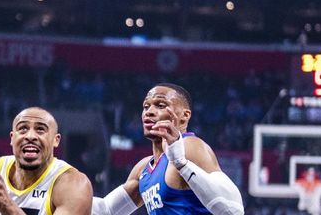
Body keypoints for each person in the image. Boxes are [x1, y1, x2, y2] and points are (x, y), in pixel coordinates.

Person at [92, 84, 243, 215]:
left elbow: (233, 210)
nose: (149, 112)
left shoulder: (191, 146)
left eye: (160, 105)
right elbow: (106, 210)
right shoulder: (143, 169)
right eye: (146, 106)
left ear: (184, 116)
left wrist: (181, 164)